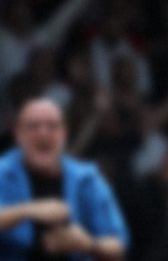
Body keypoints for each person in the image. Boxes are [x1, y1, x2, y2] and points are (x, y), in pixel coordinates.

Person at [0, 97, 128, 260]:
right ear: (18, 134)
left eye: (52, 126)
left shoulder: (87, 179)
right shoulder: (2, 172)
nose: (43, 133)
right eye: (33, 126)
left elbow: (119, 248)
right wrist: (28, 210)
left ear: (64, 133)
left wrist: (88, 244)